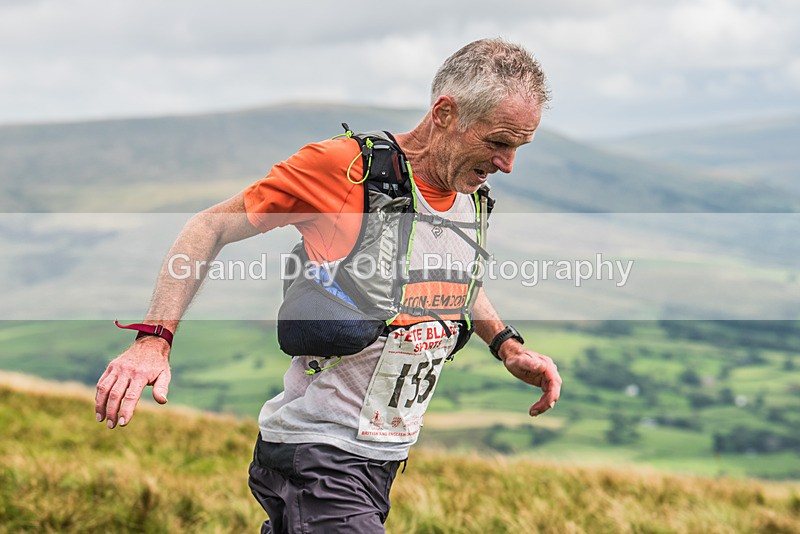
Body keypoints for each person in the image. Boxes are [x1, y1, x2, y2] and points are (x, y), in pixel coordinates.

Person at [95, 38, 562, 533]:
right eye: (498, 143)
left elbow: (451, 277)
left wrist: (507, 346)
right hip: (318, 454)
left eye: (519, 147)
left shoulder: (469, 195)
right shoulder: (344, 169)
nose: (508, 164)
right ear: (445, 113)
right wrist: (154, 339)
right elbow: (209, 227)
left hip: (382, 460)